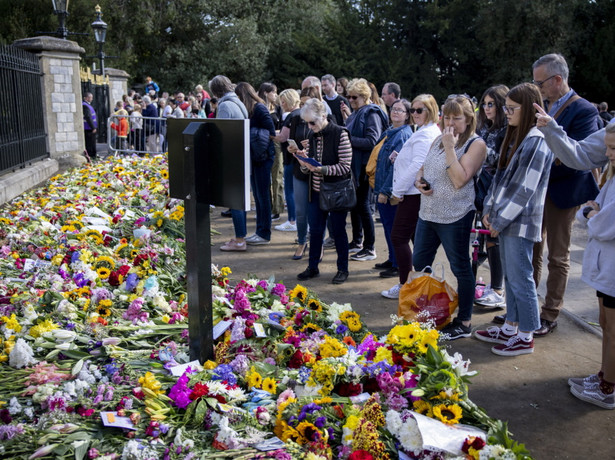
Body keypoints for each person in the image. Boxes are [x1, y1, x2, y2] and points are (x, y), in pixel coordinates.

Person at [535, 105, 615, 409]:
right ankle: (605, 373)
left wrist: (592, 214)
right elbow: (593, 210)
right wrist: (592, 213)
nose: (607, 155)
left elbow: (603, 221)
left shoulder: (582, 109)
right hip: (606, 264)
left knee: (613, 327)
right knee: (606, 321)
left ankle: (609, 386)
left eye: (613, 149)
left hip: (611, 260)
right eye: (607, 148)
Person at [473, 83, 553, 356]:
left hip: (520, 222)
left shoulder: (537, 140)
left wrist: (499, 219)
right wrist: (488, 209)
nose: (506, 113)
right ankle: (511, 326)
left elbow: (524, 190)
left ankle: (526, 334)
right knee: (512, 279)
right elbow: (500, 178)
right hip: (505, 220)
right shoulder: (518, 135)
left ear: (529, 108)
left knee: (522, 279)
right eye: (505, 107)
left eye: (511, 108)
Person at [530, 53, 601, 336]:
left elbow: (580, 156)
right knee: (532, 249)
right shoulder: (542, 105)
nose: (538, 87)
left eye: (541, 82)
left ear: (558, 79)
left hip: (562, 192)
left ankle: (550, 313)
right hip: (537, 190)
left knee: (557, 256)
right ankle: (526, 307)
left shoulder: (584, 110)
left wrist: (546, 157)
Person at [413, 95, 486, 339]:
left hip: (455, 215)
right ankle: (427, 311)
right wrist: (419, 182)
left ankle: (464, 322)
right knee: (419, 262)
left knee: (460, 267)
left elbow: (458, 179)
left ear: (469, 119)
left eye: (458, 118)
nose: (451, 123)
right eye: (448, 117)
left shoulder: (476, 144)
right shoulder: (438, 139)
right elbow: (424, 169)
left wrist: (450, 147)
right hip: (428, 212)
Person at [381, 94, 441, 299]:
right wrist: (400, 159)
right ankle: (419, 281)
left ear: (430, 111)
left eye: (419, 110)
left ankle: (406, 284)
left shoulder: (425, 133)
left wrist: (396, 191)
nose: (415, 114)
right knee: (417, 240)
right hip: (414, 191)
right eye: (413, 110)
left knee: (399, 237)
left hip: (413, 193)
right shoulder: (425, 131)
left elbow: (419, 164)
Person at [289, 98, 353, 284]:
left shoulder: (340, 133)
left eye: (312, 122)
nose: (309, 126)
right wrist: (303, 162)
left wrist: (321, 169)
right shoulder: (311, 135)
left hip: (336, 192)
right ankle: (313, 266)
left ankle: (343, 269)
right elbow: (307, 168)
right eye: (307, 122)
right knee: (315, 231)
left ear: (324, 116)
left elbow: (345, 167)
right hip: (316, 191)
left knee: (339, 232)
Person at [341, 78, 388, 261]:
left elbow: (372, 141)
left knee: (364, 205)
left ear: (364, 96)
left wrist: (346, 140)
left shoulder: (371, 114)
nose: (350, 100)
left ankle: (370, 247)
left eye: (354, 97)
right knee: (355, 205)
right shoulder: (358, 112)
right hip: (356, 166)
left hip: (366, 168)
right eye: (349, 97)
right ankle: (358, 241)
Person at [473, 85, 509, 309]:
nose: (486, 108)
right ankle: (490, 286)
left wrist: (479, 147)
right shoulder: (484, 128)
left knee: (494, 239)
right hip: (480, 189)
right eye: (484, 104)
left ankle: (498, 289)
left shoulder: (506, 130)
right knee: (483, 238)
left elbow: (500, 161)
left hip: (497, 190)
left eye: (491, 104)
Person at [370, 99, 413, 279]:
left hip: (390, 190)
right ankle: (392, 258)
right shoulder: (391, 131)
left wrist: (385, 191)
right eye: (393, 109)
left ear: (407, 115)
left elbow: (396, 167)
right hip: (382, 185)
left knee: (393, 227)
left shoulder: (402, 135)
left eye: (400, 110)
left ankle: (397, 264)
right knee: (388, 227)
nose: (395, 112)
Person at [209, 75, 250, 252]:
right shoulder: (238, 102)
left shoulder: (225, 105)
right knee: (239, 199)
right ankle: (240, 236)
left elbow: (222, 133)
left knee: (235, 201)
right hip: (241, 154)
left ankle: (240, 239)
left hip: (232, 157)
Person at [235, 82, 276, 246]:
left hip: (263, 156)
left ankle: (264, 233)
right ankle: (260, 230)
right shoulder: (254, 109)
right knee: (258, 196)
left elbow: (271, 131)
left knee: (263, 195)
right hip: (257, 156)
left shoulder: (259, 108)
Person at [258, 82, 284, 221]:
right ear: (266, 92)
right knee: (264, 178)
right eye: (273, 92)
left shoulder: (278, 108)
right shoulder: (258, 108)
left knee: (277, 176)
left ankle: (277, 208)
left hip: (276, 144)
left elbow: (281, 127)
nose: (276, 95)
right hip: (261, 145)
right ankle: (266, 207)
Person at [82, 92, 98, 160]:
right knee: (90, 143)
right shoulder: (85, 105)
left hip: (90, 127)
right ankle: (91, 156)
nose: (92, 99)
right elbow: (88, 117)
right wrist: (93, 127)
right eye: (90, 97)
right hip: (88, 128)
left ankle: (93, 155)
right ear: (86, 98)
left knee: (92, 142)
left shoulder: (87, 105)